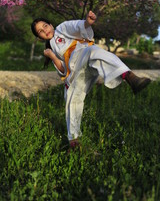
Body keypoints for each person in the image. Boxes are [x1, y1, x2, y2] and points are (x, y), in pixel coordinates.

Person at [31, 11, 151, 149]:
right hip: (74, 72)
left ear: (51, 24)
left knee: (95, 52)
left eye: (45, 26)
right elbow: (63, 70)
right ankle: (74, 141)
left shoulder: (61, 28)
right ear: (39, 37)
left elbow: (75, 26)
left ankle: (130, 77)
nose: (44, 31)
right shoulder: (50, 48)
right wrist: (52, 56)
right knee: (72, 102)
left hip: (83, 55)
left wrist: (87, 22)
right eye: (40, 31)